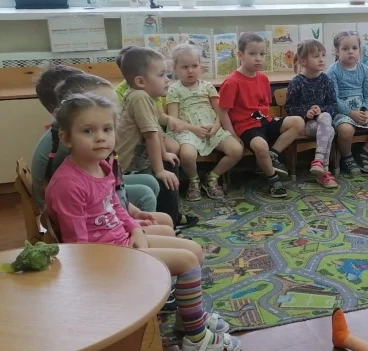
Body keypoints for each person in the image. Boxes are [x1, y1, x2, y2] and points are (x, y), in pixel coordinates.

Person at [45, 92, 241, 351]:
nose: (101, 138)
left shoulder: (101, 166)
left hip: (120, 240)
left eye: (107, 129)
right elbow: (79, 247)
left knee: (194, 250)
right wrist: (129, 250)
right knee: (186, 261)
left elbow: (115, 205)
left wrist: (134, 228)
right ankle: (196, 342)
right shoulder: (69, 184)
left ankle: (187, 319)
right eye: (88, 131)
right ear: (66, 138)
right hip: (107, 257)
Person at [31, 65, 166, 224]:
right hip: (74, 211)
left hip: (85, 192)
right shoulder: (70, 142)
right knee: (145, 194)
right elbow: (83, 194)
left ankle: (144, 228)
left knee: (149, 182)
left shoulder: (69, 132)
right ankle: (143, 233)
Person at [218, 32, 305, 198]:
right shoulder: (232, 82)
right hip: (245, 127)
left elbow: (264, 107)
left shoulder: (263, 78)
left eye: (262, 54)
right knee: (260, 145)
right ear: (240, 55)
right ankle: (273, 178)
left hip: (265, 121)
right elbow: (223, 111)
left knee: (298, 122)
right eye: (252, 54)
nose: (258, 58)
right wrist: (233, 135)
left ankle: (273, 155)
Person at [115, 46, 187, 222]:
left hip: (139, 162)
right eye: (161, 75)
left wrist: (164, 154)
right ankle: (169, 222)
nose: (167, 80)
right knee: (165, 175)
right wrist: (160, 171)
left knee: (170, 162)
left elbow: (156, 132)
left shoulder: (145, 96)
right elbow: (150, 136)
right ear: (140, 81)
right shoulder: (140, 98)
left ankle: (171, 218)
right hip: (128, 169)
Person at [166, 43, 244, 201]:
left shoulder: (208, 86)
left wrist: (216, 126)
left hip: (211, 127)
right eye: (184, 67)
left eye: (194, 66)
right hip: (187, 130)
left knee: (236, 150)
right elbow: (173, 119)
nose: (190, 70)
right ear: (174, 69)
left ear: (200, 66)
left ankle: (212, 176)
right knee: (187, 155)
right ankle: (194, 180)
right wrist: (193, 129)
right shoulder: (174, 89)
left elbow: (220, 111)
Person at [328, 31, 368, 175]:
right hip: (343, 110)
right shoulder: (332, 71)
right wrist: (350, 113)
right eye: (345, 49)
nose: (350, 52)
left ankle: (364, 152)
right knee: (346, 130)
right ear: (337, 51)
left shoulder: (365, 70)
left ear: (359, 50)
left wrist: (366, 110)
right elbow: (333, 98)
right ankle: (347, 157)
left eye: (354, 48)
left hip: (363, 107)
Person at [284, 39, 339, 189]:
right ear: (303, 61)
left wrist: (321, 110)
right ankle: (324, 171)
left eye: (323, 55)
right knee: (329, 130)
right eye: (316, 56)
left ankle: (318, 161)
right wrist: (305, 112)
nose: (321, 59)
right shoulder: (297, 82)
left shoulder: (326, 80)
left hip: (323, 123)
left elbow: (333, 105)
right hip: (305, 125)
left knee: (326, 119)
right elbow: (289, 107)